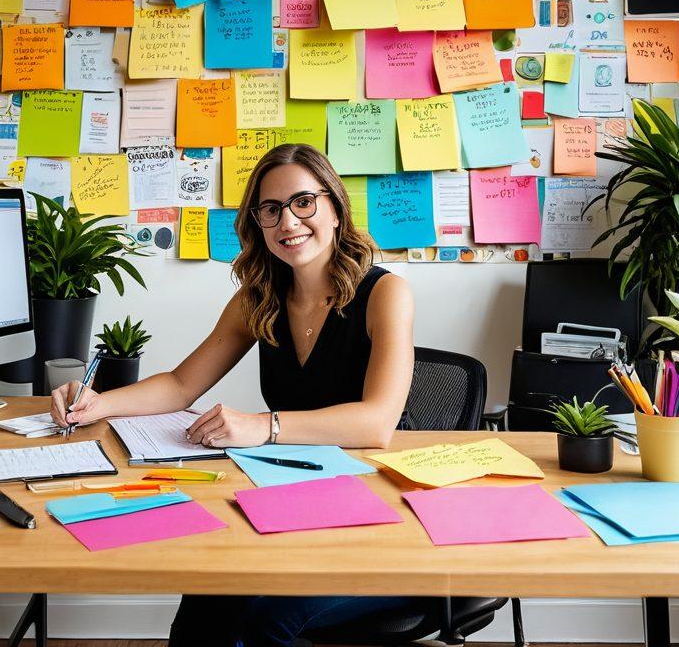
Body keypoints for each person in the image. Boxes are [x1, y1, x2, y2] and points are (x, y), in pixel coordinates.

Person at [49, 143, 417, 647]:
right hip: (292, 501)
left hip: (374, 518)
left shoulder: (385, 293)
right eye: (271, 209)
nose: (288, 222)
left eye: (303, 202)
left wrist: (261, 426)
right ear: (258, 223)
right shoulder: (259, 297)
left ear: (334, 206)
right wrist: (99, 402)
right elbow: (182, 385)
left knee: (267, 619)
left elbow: (377, 423)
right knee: (207, 596)